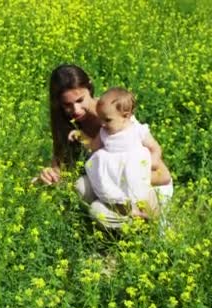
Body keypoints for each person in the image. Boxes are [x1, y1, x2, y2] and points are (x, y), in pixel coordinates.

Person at [37, 64, 173, 230]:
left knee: (96, 207)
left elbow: (163, 176)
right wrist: (46, 177)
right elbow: (59, 172)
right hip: (113, 190)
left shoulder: (115, 116)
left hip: (145, 190)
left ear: (90, 87)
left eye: (80, 100)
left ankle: (149, 225)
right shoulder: (67, 126)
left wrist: (123, 176)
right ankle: (132, 226)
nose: (75, 110)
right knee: (84, 193)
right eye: (67, 105)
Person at [68, 87, 159, 219]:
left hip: (132, 169)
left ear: (126, 116)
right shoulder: (104, 132)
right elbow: (93, 146)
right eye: (101, 119)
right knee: (110, 191)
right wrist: (81, 135)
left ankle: (145, 217)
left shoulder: (137, 130)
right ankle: (125, 210)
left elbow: (155, 147)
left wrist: (153, 162)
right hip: (110, 172)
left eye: (108, 120)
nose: (103, 124)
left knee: (138, 190)